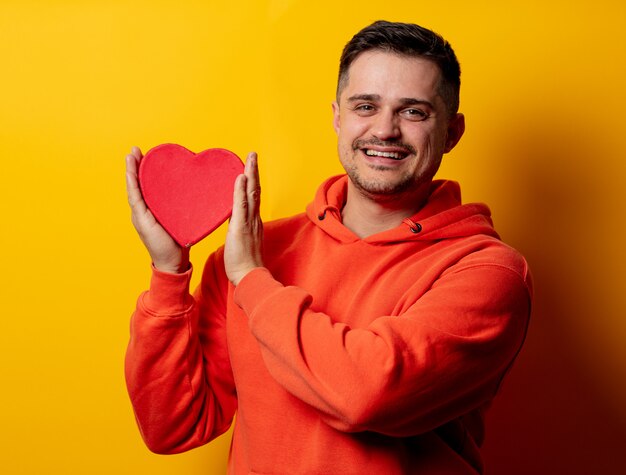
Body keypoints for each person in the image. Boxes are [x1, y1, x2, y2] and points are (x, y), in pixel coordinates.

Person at [124, 20, 532, 474]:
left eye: (413, 111)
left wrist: (252, 282)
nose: (385, 130)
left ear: (452, 132)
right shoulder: (255, 252)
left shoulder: (487, 273)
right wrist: (168, 271)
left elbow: (367, 396)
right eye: (365, 106)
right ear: (338, 116)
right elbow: (173, 427)